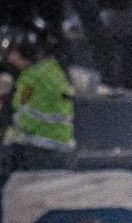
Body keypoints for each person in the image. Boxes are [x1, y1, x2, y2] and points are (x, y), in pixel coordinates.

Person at [0, 21, 75, 172]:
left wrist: (5, 133)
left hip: (39, 152)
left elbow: (24, 121)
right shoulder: (52, 68)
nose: (9, 59)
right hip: (61, 151)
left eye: (11, 54)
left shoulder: (31, 78)